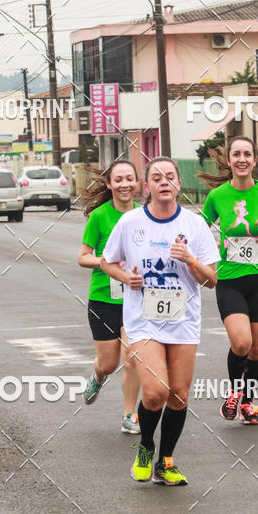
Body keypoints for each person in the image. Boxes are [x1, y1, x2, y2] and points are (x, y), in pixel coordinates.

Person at [102, 157, 219, 485]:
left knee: (179, 394)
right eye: (157, 177)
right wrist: (127, 277)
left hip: (183, 320)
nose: (164, 182)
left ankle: (165, 461)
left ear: (178, 183)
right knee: (155, 393)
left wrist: (191, 260)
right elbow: (106, 262)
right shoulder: (130, 222)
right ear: (147, 186)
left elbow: (211, 279)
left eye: (170, 176)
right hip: (144, 321)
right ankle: (145, 446)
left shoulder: (195, 226)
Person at [200, 136, 258, 425]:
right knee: (241, 343)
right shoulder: (217, 197)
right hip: (229, 279)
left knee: (257, 348)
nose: (241, 159)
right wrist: (206, 252)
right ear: (229, 161)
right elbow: (199, 229)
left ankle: (248, 402)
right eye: (236, 154)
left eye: (247, 154)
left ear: (254, 160)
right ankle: (235, 390)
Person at [78, 161, 141, 434]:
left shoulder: (145, 216)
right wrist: (108, 262)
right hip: (104, 298)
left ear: (138, 183)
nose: (124, 184)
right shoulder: (100, 217)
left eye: (129, 179)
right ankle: (97, 375)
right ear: (109, 184)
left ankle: (130, 414)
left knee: (132, 358)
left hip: (137, 299)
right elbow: (82, 257)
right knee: (110, 363)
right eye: (118, 180)